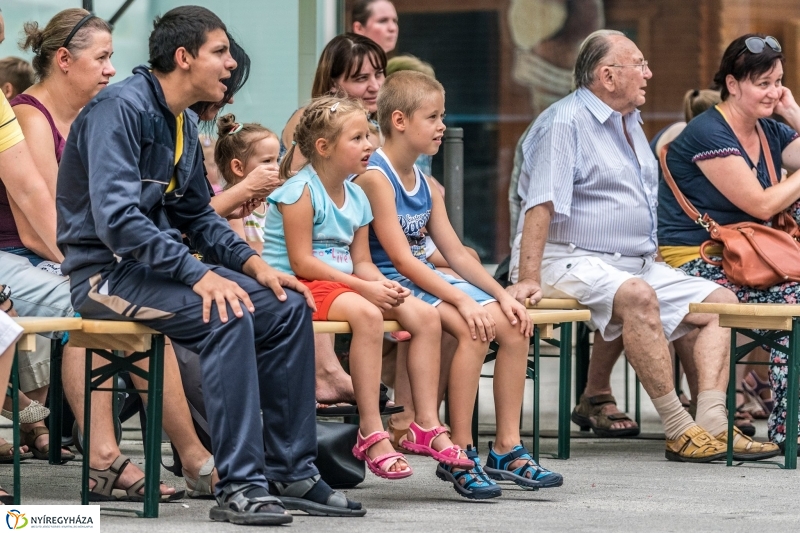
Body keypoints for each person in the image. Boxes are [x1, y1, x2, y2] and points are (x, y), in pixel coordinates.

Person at [56, 6, 362, 524]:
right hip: (104, 277)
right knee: (226, 312)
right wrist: (200, 274)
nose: (231, 63)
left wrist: (253, 264)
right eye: (219, 52)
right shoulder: (119, 109)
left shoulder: (177, 119)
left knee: (287, 306)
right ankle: (241, 485)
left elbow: (197, 216)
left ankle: (292, 472)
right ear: (183, 57)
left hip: (153, 273)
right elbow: (118, 221)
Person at [506, 29, 778, 463]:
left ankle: (713, 423)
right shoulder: (564, 123)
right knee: (637, 296)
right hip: (568, 257)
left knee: (720, 304)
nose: (649, 73)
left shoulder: (629, 119)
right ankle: (679, 428)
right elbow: (540, 205)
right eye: (639, 64)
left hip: (632, 263)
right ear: (607, 76)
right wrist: (527, 278)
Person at [356, 70, 561, 499]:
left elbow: (456, 253)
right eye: (432, 117)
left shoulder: (427, 184)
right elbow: (400, 260)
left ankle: (506, 448)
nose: (442, 126)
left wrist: (502, 294)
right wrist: (463, 301)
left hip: (426, 281)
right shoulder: (375, 177)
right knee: (475, 327)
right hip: (391, 284)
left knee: (515, 324)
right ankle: (461, 452)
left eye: (442, 116)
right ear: (399, 121)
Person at [265, 95, 472, 480]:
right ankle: (371, 430)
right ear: (324, 147)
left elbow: (361, 260)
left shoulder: (358, 196)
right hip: (299, 286)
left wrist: (382, 285)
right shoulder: (299, 191)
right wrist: (364, 288)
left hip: (341, 285)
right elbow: (302, 262)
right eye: (358, 138)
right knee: (367, 314)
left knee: (424, 316)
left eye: (368, 136)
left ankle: (425, 423)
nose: (370, 146)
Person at [661, 33, 800, 454]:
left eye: (778, 81)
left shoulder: (769, 128)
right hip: (697, 260)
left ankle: (788, 422)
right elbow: (761, 205)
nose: (773, 91)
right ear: (733, 84)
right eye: (763, 83)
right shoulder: (709, 132)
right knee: (795, 301)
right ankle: (790, 425)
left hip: (751, 257)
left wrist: (793, 113)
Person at [281, 32, 387, 410]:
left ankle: (409, 416)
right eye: (360, 78)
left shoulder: (376, 130)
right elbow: (301, 192)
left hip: (364, 242)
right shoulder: (311, 126)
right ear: (332, 84)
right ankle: (329, 374)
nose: (374, 85)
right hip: (320, 247)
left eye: (379, 74)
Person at [213, 114, 281, 255]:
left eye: (277, 160)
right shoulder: (233, 207)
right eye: (267, 161)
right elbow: (239, 251)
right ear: (238, 167)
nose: (277, 168)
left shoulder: (270, 203)